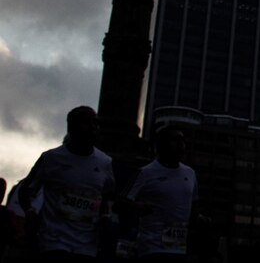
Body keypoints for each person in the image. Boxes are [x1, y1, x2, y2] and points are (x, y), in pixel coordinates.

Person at [17, 106, 115, 263]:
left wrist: (105, 216)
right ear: (72, 127)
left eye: (95, 124)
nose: (93, 128)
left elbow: (106, 196)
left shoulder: (105, 162)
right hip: (54, 242)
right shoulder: (51, 158)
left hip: (87, 245)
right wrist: (30, 212)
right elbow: (26, 190)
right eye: (87, 123)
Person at [115, 125, 199, 262]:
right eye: (175, 140)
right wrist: (136, 207)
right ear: (160, 145)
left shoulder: (190, 173)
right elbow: (119, 204)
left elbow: (194, 208)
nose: (181, 145)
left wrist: (199, 222)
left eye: (183, 141)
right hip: (152, 250)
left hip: (181, 250)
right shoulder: (145, 173)